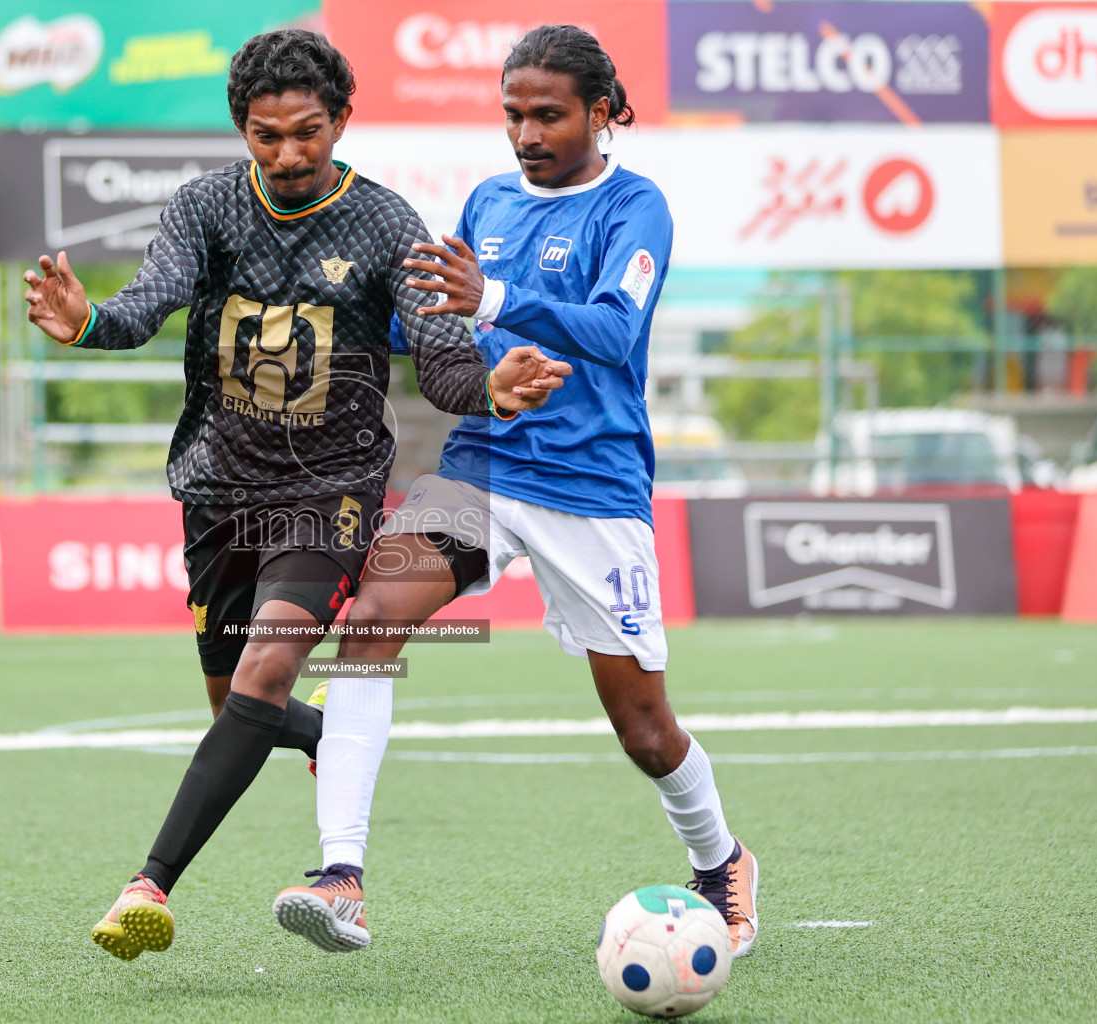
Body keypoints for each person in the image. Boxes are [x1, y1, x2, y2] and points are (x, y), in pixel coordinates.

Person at [20, 29, 572, 962]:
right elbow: (149, 301)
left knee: (262, 675)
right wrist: (88, 326)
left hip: (330, 491)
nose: (287, 155)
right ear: (243, 129)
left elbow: (437, 360)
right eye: (266, 136)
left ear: (342, 121)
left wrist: (487, 387)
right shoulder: (204, 207)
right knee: (234, 702)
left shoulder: (392, 225)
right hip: (219, 493)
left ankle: (146, 885)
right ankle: (330, 730)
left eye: (307, 133)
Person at [272, 25, 759, 958]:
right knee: (371, 620)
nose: (527, 134)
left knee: (645, 729)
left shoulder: (635, 206)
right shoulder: (489, 200)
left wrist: (491, 298)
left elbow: (615, 332)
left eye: (548, 114)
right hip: (486, 461)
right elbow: (449, 326)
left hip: (593, 487)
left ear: (604, 111)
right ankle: (341, 877)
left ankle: (721, 860)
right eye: (512, 115)